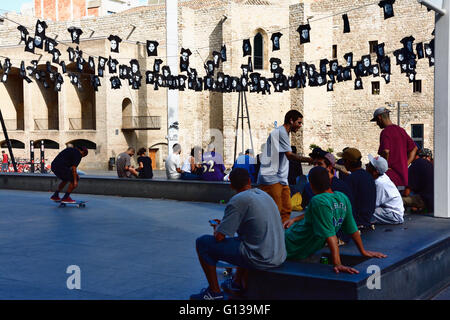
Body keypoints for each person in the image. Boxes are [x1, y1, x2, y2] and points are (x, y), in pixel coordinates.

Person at [191, 168, 286, 300]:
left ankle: (214, 292)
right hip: (278, 254)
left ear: (231, 185)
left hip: (262, 257)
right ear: (249, 181)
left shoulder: (238, 200)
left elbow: (219, 237)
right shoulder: (264, 195)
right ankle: (236, 283)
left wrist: (217, 227)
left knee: (202, 243)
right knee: (243, 240)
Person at [284, 167, 387, 273]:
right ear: (330, 181)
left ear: (310, 185)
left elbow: (332, 235)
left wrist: (338, 264)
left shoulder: (318, 201)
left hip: (292, 245)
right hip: (290, 245)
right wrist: (363, 251)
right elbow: (352, 229)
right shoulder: (342, 198)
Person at [257, 110, 312, 223]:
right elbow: (290, 155)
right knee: (274, 211)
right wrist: (310, 160)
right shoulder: (280, 132)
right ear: (291, 120)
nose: (300, 126)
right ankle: (271, 236)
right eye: (299, 122)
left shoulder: (284, 133)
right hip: (271, 178)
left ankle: (282, 234)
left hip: (280, 178)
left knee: (286, 209)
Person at [372, 107, 418, 189]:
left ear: (379, 117)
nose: (377, 124)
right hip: (403, 178)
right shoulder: (401, 130)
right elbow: (414, 148)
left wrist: (383, 167)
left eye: (376, 121)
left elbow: (386, 151)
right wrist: (405, 164)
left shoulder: (385, 132)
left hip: (390, 178)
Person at [301, 148, 355, 216]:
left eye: (319, 164)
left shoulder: (341, 187)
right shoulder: (308, 187)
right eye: (314, 164)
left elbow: (348, 213)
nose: (315, 167)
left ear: (329, 167)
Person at [339, 148, 376, 229]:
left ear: (347, 162)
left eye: (343, 161)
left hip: (358, 220)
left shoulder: (351, 178)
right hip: (368, 217)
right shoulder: (368, 176)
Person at [366, 155, 404, 224]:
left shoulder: (380, 183)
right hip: (388, 210)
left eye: (369, 165)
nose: (366, 165)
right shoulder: (381, 176)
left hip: (393, 214)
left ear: (375, 171)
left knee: (364, 212)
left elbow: (373, 204)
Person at [403, 148, 434, 213]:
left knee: (398, 200)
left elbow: (407, 192)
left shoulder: (415, 164)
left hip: (425, 200)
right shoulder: (432, 165)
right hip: (435, 202)